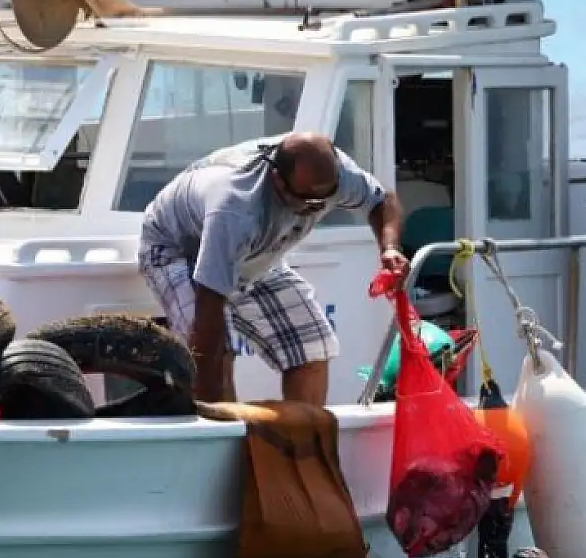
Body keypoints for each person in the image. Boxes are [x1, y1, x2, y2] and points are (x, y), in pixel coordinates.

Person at [138, 132, 407, 407]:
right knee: (217, 355)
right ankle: (223, 440)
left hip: (253, 256)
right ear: (277, 180)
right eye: (305, 201)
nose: (312, 209)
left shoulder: (334, 175)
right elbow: (209, 309)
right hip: (177, 248)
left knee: (312, 348)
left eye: (323, 202)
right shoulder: (236, 207)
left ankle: (304, 442)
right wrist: (211, 420)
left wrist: (390, 248)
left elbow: (382, 200)